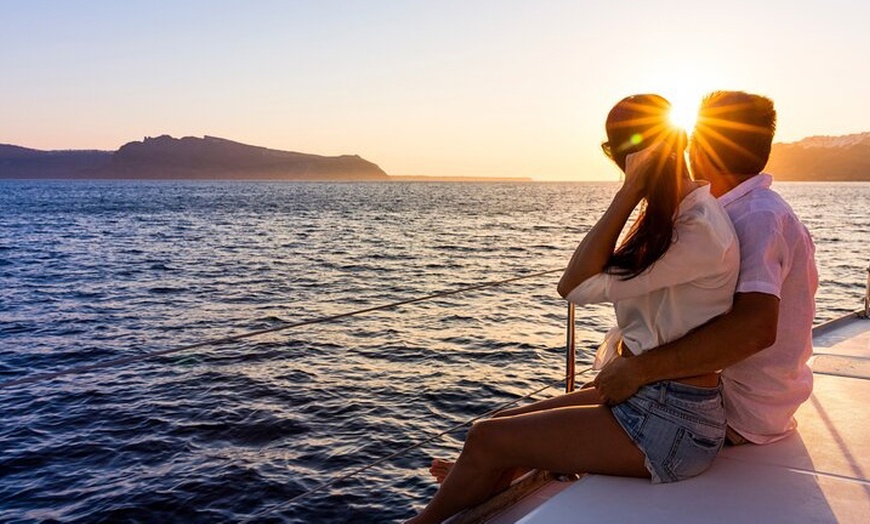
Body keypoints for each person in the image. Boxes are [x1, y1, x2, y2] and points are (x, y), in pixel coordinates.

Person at [408, 94, 739, 523]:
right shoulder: (678, 215)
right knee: (501, 426)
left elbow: (575, 285)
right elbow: (585, 278)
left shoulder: (694, 229)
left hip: (674, 425)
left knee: (486, 438)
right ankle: (477, 479)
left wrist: (629, 190)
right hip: (653, 400)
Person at [592, 91, 819, 446]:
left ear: (699, 147)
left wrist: (639, 370)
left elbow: (755, 329)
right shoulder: (742, 210)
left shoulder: (757, 217)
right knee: (520, 427)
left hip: (733, 410)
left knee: (510, 439)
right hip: (730, 398)